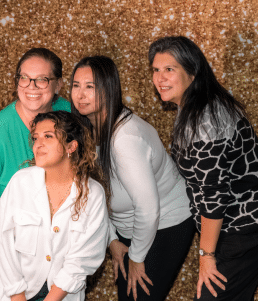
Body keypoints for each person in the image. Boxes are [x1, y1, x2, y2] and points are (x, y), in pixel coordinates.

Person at [148, 36, 258, 301]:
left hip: (249, 223)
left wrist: (206, 256)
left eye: (169, 69)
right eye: (156, 70)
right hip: (236, 223)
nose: (159, 78)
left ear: (192, 73)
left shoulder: (206, 123)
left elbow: (214, 196)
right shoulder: (194, 106)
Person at [70, 55, 195, 301]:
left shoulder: (125, 139)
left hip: (165, 224)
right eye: (75, 85)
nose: (80, 94)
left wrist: (136, 259)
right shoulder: (86, 130)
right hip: (127, 227)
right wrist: (112, 240)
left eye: (90, 86)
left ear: (109, 89)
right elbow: (92, 194)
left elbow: (148, 208)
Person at [0, 48, 70, 301]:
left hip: (48, 253)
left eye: (42, 79)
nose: (32, 86)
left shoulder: (68, 115)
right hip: (0, 252)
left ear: (58, 85)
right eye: (24, 78)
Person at [0, 111, 109, 301]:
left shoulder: (93, 194)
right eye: (35, 138)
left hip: (61, 296)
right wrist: (17, 296)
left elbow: (80, 262)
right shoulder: (20, 183)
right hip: (13, 295)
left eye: (48, 136)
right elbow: (4, 244)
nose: (38, 144)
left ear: (71, 146)